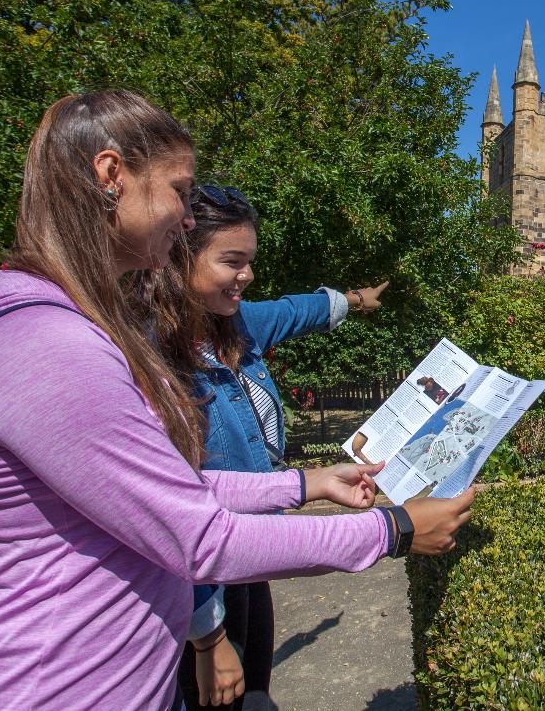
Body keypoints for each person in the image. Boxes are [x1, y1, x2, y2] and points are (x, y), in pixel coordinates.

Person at [0, 91, 473, 709]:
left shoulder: (63, 326)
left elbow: (172, 488)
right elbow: (198, 540)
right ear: (110, 175)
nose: (185, 218)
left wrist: (302, 485)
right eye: (179, 190)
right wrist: (391, 529)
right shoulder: (46, 345)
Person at [144, 183, 388, 710]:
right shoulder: (152, 358)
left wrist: (353, 300)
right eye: (232, 261)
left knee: (254, 691)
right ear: (178, 255)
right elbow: (169, 516)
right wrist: (206, 638)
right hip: (199, 581)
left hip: (250, 555)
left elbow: (294, 311)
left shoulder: (236, 325)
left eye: (249, 261)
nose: (246, 276)